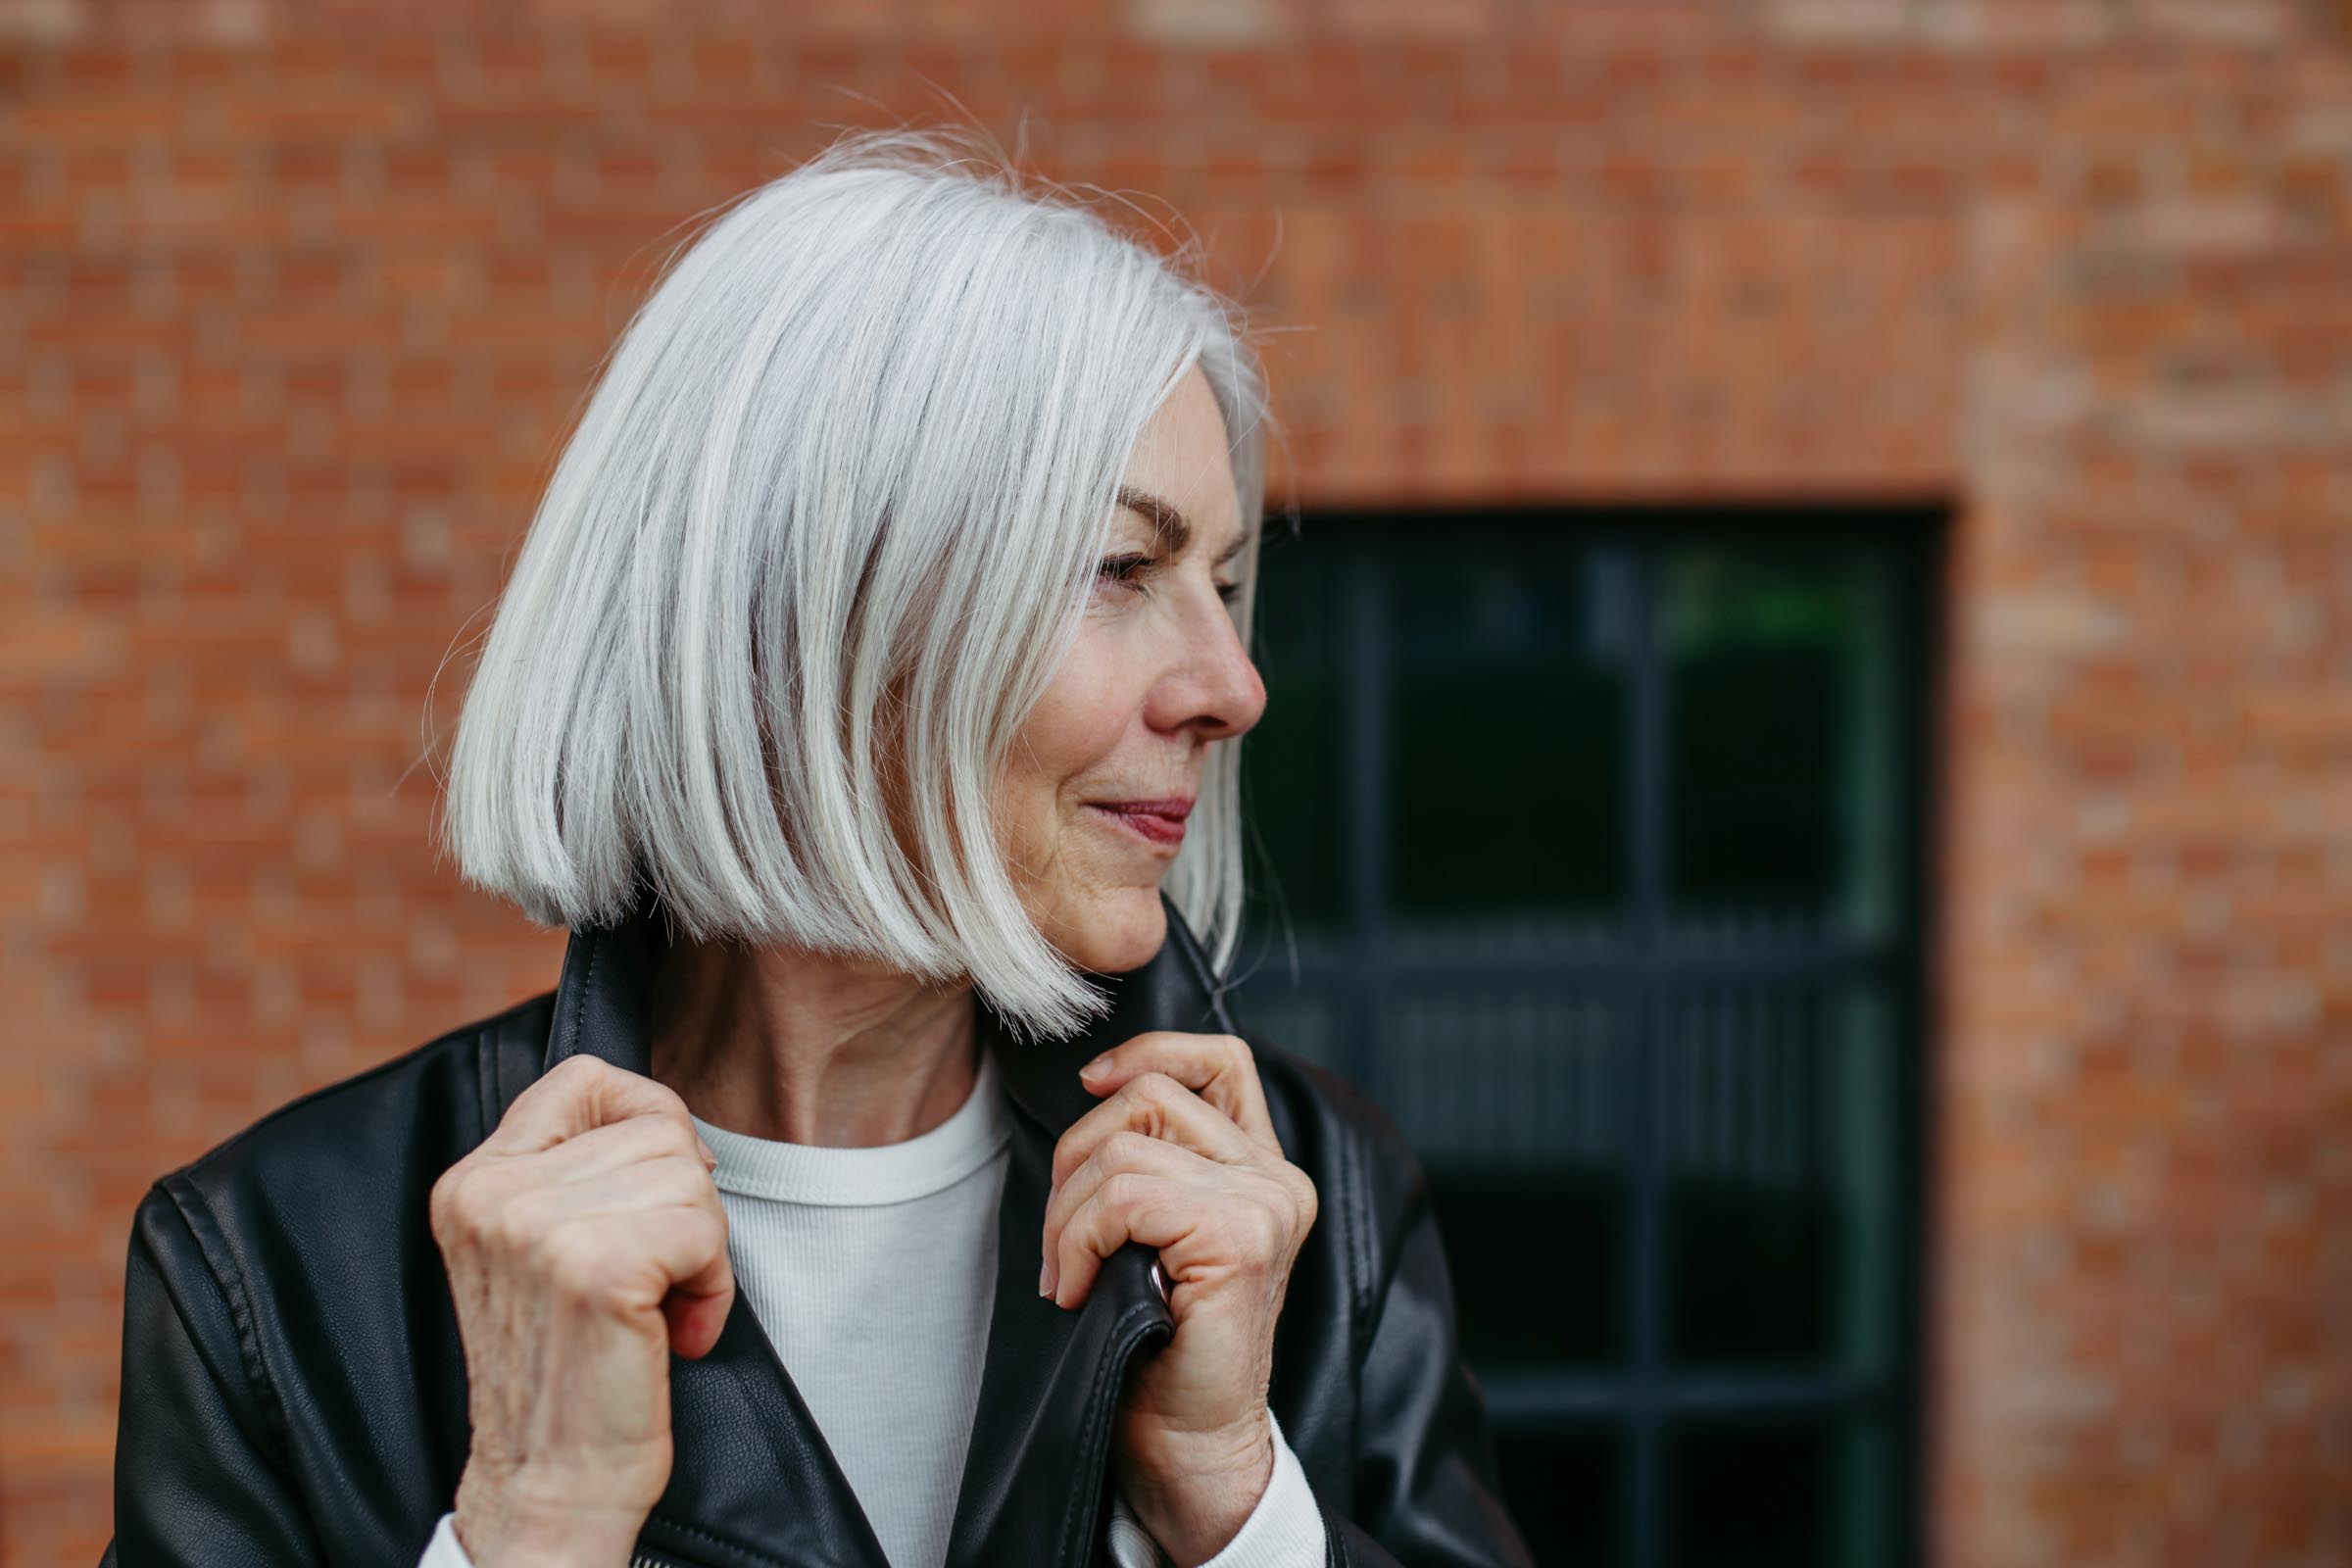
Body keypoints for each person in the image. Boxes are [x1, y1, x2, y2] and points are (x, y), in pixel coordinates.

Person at [101, 126, 1536, 1568]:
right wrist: (528, 1531)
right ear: (823, 618)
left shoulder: (1312, 1205)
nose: (1234, 686)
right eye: (1120, 569)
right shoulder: (280, 1271)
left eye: (1222, 585)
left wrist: (1236, 1506)